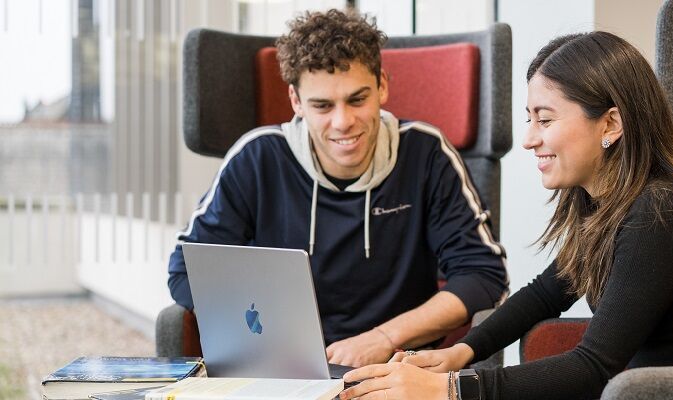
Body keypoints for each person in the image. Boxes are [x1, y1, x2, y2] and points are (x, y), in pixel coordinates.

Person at [339, 31, 673, 400]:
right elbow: (547, 293)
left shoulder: (661, 209)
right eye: (530, 119)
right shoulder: (605, 199)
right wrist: (462, 353)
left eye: (544, 120)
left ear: (610, 124)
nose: (529, 140)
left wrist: (451, 388)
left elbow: (594, 366)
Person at [166, 9, 508, 368]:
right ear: (296, 102)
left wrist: (384, 339)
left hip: (398, 368)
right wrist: (273, 343)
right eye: (323, 106)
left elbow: (483, 274)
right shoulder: (256, 158)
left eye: (357, 99)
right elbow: (188, 271)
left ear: (382, 86)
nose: (343, 122)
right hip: (283, 370)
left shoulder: (427, 153)